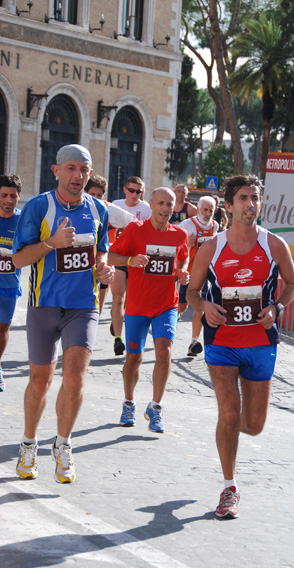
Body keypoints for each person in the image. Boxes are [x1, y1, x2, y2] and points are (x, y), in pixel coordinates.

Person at [187, 174, 294, 518]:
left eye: (255, 198)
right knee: (229, 414)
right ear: (229, 206)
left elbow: (292, 284)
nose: (251, 204)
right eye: (244, 199)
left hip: (261, 343)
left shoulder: (274, 245)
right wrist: (205, 307)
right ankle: (229, 487)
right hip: (221, 342)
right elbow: (191, 293)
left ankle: (230, 436)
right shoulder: (211, 247)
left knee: (252, 424)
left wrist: (276, 308)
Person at [13, 144, 113, 484]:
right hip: (43, 305)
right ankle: (28, 443)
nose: (78, 176)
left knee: (75, 378)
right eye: (71, 168)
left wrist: (105, 272)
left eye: (83, 169)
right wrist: (51, 243)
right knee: (40, 381)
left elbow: (101, 256)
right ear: (56, 171)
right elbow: (18, 260)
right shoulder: (39, 207)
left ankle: (64, 444)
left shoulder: (99, 209)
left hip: (83, 306)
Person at [108, 187, 189, 433]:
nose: (165, 209)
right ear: (151, 204)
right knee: (134, 358)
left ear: (175, 207)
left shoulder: (180, 235)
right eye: (161, 203)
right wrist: (130, 261)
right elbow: (110, 256)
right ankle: (129, 402)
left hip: (166, 304)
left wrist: (182, 271)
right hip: (138, 305)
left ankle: (155, 407)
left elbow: (183, 258)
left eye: (170, 204)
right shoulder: (135, 230)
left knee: (164, 352)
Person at [110, 176, 152, 355]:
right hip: (119, 256)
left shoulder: (147, 209)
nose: (135, 194)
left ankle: (120, 321)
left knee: (130, 302)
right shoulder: (115, 204)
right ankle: (118, 340)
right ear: (125, 189)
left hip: (138, 260)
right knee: (118, 297)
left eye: (139, 191)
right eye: (132, 190)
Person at [85, 175, 135, 315]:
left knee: (96, 310)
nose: (95, 198)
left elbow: (134, 223)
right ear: (85, 192)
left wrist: (120, 244)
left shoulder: (109, 209)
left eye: (99, 195)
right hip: (83, 262)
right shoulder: (77, 206)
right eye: (92, 194)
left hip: (104, 263)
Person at [179, 195, 219, 356]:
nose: (208, 213)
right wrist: (185, 244)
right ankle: (170, 323)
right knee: (182, 306)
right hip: (188, 271)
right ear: (198, 209)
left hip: (205, 272)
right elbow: (173, 244)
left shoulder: (215, 226)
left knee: (199, 307)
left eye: (211, 210)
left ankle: (194, 342)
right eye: (205, 209)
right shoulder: (187, 225)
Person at [0, 174, 22, 392]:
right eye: (4, 195)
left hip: (9, 284)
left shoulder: (23, 220)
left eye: (12, 196)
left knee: (2, 328)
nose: (8, 200)